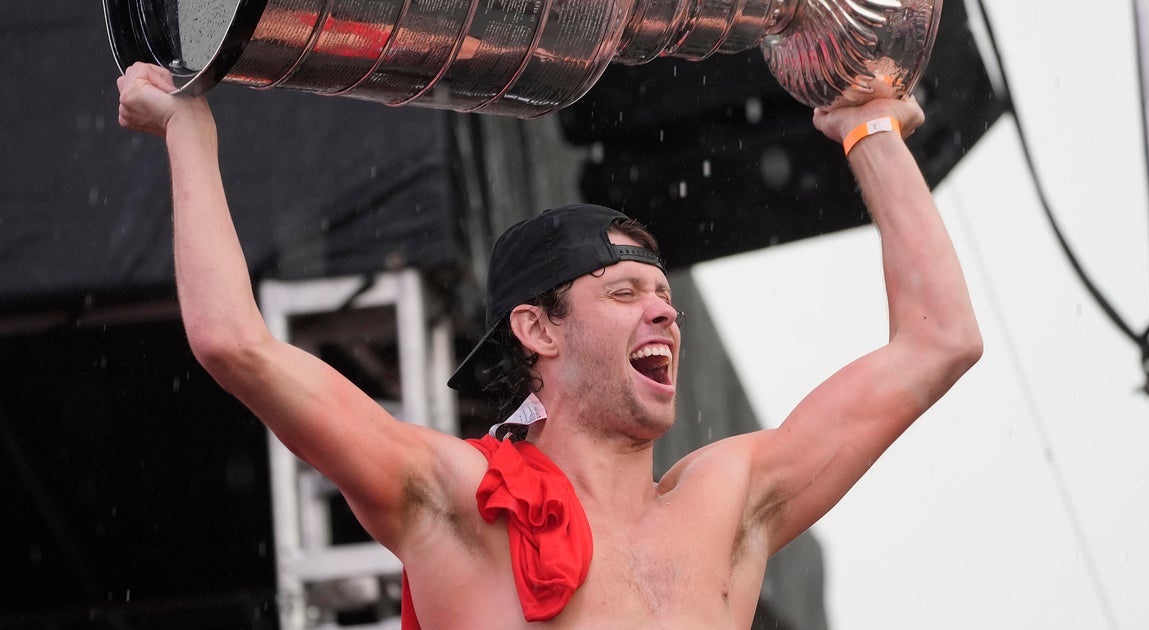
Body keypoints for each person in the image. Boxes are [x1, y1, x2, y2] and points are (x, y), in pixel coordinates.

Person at [116, 61, 982, 628]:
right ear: (537, 329)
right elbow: (234, 340)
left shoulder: (728, 502)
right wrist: (190, 132)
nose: (664, 315)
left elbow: (940, 341)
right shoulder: (456, 499)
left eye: (666, 297)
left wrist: (869, 129)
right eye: (625, 293)